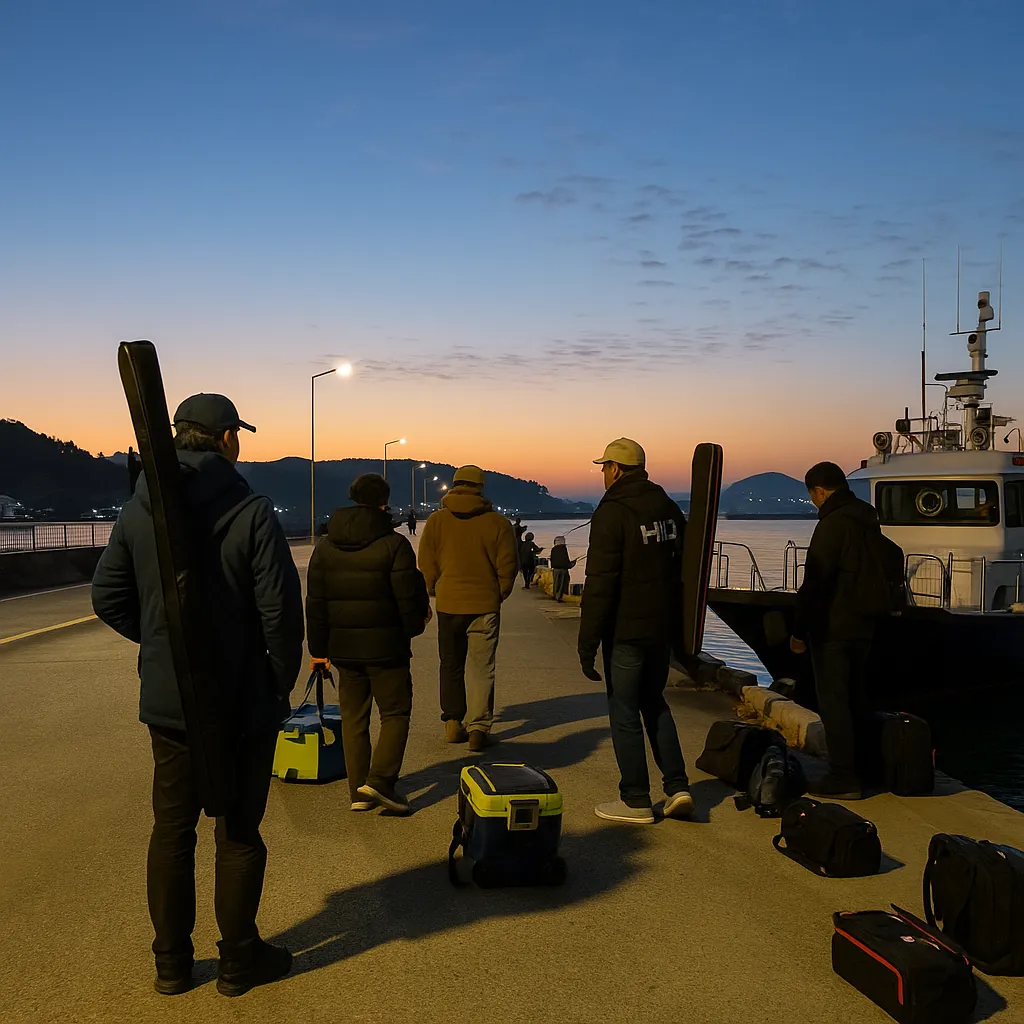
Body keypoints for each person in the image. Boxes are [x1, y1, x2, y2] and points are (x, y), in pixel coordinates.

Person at [91, 394, 304, 998]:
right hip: (242, 702)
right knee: (238, 830)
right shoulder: (252, 511)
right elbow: (280, 615)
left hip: (170, 704)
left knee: (172, 828)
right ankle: (238, 960)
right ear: (227, 438)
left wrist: (163, 645)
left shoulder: (140, 510)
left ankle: (171, 964)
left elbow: (107, 596)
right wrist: (274, 682)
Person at [578, 437, 693, 825]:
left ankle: (636, 799)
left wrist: (587, 642)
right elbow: (686, 567)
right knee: (655, 703)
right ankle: (678, 787)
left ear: (615, 469)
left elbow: (600, 581)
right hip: (661, 628)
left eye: (604, 468)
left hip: (626, 630)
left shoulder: (613, 512)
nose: (602, 475)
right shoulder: (668, 507)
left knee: (624, 710)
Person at [306, 474, 430, 815]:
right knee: (395, 713)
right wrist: (412, 628)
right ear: (384, 503)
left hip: (344, 650)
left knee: (353, 718)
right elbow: (409, 598)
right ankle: (380, 781)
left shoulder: (325, 547)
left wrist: (318, 650)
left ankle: (358, 792)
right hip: (387, 649)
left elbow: (315, 603)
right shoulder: (393, 544)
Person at [789, 461, 881, 800]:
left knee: (834, 702)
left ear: (820, 491)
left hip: (833, 627)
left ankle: (844, 777)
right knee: (857, 697)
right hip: (864, 623)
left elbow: (816, 583)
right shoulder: (867, 519)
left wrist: (799, 632)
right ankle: (867, 770)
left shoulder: (832, 524)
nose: (814, 502)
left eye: (812, 495)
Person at [418, 464, 518, 752]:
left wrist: (434, 589)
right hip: (484, 605)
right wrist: (498, 593)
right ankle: (478, 729)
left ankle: (452, 723)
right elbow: (508, 567)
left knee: (450, 665)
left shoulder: (437, 522)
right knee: (481, 668)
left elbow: (426, 563)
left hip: (449, 604)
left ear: (455, 485)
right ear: (480, 487)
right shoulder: (498, 524)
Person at [550, 536, 578, 602]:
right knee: (561, 584)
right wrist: (571, 564)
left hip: (555, 569)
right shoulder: (563, 549)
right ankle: (559, 598)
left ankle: (555, 596)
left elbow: (552, 559)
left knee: (556, 583)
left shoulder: (553, 549)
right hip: (562, 569)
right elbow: (565, 560)